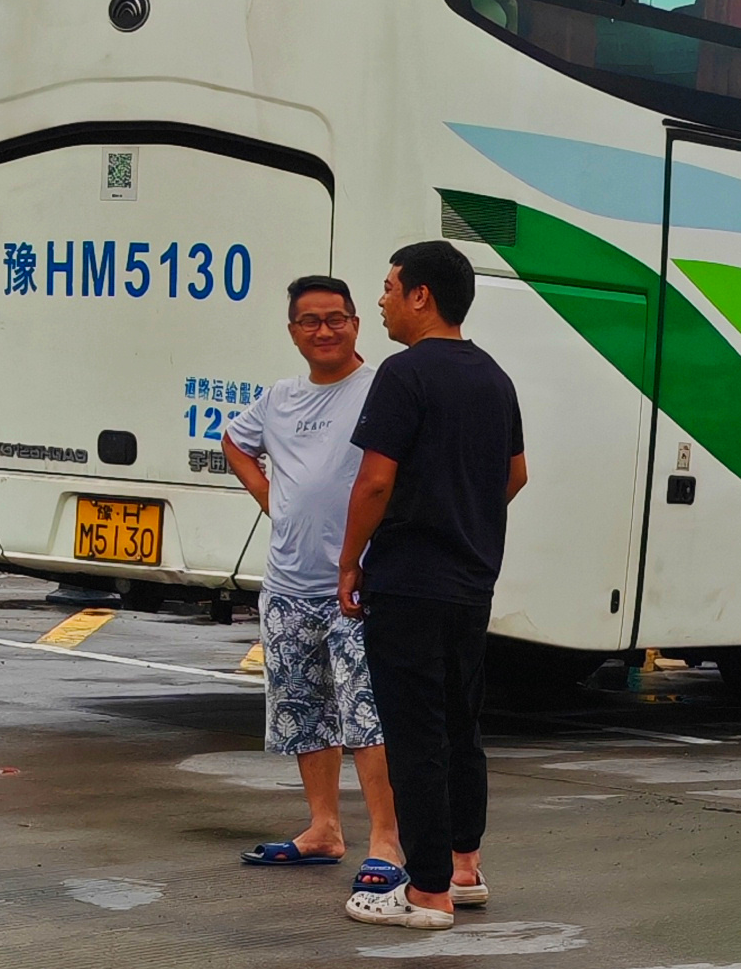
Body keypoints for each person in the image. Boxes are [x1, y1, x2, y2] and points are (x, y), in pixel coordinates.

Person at [337, 241, 528, 931]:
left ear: (422, 296)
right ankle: (464, 866)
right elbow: (516, 474)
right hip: (470, 582)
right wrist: (466, 517)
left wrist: (350, 559)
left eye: (389, 287)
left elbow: (376, 479)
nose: (382, 300)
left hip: (410, 581)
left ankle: (426, 893)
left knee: (414, 732)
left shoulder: (404, 374)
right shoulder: (494, 378)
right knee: (459, 726)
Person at [223, 276, 400, 884]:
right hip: (286, 586)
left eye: (336, 318)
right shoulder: (279, 398)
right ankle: (323, 828)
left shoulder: (382, 388)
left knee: (366, 713)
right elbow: (233, 440)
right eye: (309, 321)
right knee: (303, 709)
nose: (323, 331)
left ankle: (387, 840)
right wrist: (270, 496)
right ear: (293, 331)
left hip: (356, 585)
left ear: (356, 323)